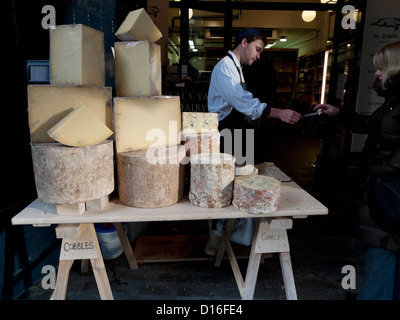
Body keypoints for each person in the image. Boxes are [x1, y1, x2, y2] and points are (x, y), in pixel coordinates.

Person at [314, 41, 400, 300]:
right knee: (386, 248)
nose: (377, 73)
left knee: (382, 247)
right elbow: (370, 124)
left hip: (390, 189)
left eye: (381, 68)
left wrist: (380, 170)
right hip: (384, 187)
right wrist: (338, 113)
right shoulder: (393, 99)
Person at [204, 28, 302, 255]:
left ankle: (233, 235)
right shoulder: (225, 68)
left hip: (239, 132)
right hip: (227, 133)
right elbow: (241, 101)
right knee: (223, 185)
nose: (258, 55)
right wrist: (276, 112)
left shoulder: (238, 68)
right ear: (244, 42)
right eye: (257, 49)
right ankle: (215, 236)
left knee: (241, 183)